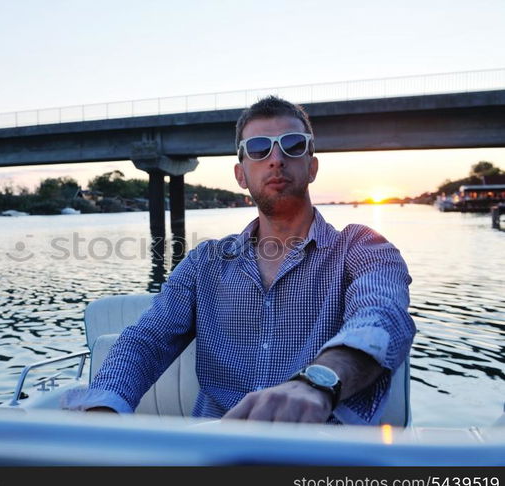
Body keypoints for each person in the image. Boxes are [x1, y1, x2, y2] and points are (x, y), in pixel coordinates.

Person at [62, 95, 415, 424]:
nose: (276, 159)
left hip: (315, 452)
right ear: (241, 175)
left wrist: (317, 383)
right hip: (212, 451)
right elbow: (149, 339)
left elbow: (381, 314)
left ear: (312, 166)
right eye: (259, 149)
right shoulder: (206, 262)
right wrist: (105, 403)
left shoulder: (362, 248)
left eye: (293, 145)